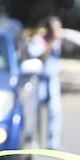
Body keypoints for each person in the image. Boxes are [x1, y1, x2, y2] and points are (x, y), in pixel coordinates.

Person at [28, 17, 63, 149]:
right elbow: (38, 56)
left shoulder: (58, 42)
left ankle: (52, 143)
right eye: (54, 29)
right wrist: (50, 43)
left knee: (55, 112)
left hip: (53, 81)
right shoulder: (40, 40)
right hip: (40, 80)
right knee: (35, 112)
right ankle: (33, 141)